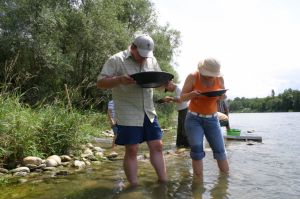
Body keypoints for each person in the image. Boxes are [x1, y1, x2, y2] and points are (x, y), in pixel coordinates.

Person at [97, 34, 167, 186]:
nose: (143, 59)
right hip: (128, 111)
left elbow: (160, 83)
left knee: (158, 146)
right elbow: (101, 82)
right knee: (132, 149)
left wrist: (165, 84)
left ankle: (164, 182)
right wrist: (119, 79)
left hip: (149, 111)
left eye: (146, 57)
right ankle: (134, 187)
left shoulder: (152, 59)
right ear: (133, 47)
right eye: (141, 56)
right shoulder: (116, 59)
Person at [180, 58, 229, 177]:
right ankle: (198, 186)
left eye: (213, 75)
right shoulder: (192, 76)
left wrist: (222, 96)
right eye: (208, 75)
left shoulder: (220, 78)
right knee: (197, 150)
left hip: (212, 119)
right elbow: (182, 97)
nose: (211, 77)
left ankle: (225, 184)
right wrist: (191, 95)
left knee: (220, 150)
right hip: (194, 119)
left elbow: (223, 96)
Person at [164, 80, 190, 147]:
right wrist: (171, 100)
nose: (168, 91)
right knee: (181, 130)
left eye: (167, 89)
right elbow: (181, 100)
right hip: (182, 110)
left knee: (184, 130)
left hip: (185, 110)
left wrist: (170, 98)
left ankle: (187, 147)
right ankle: (180, 146)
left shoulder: (178, 88)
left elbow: (180, 100)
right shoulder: (177, 89)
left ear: (170, 84)